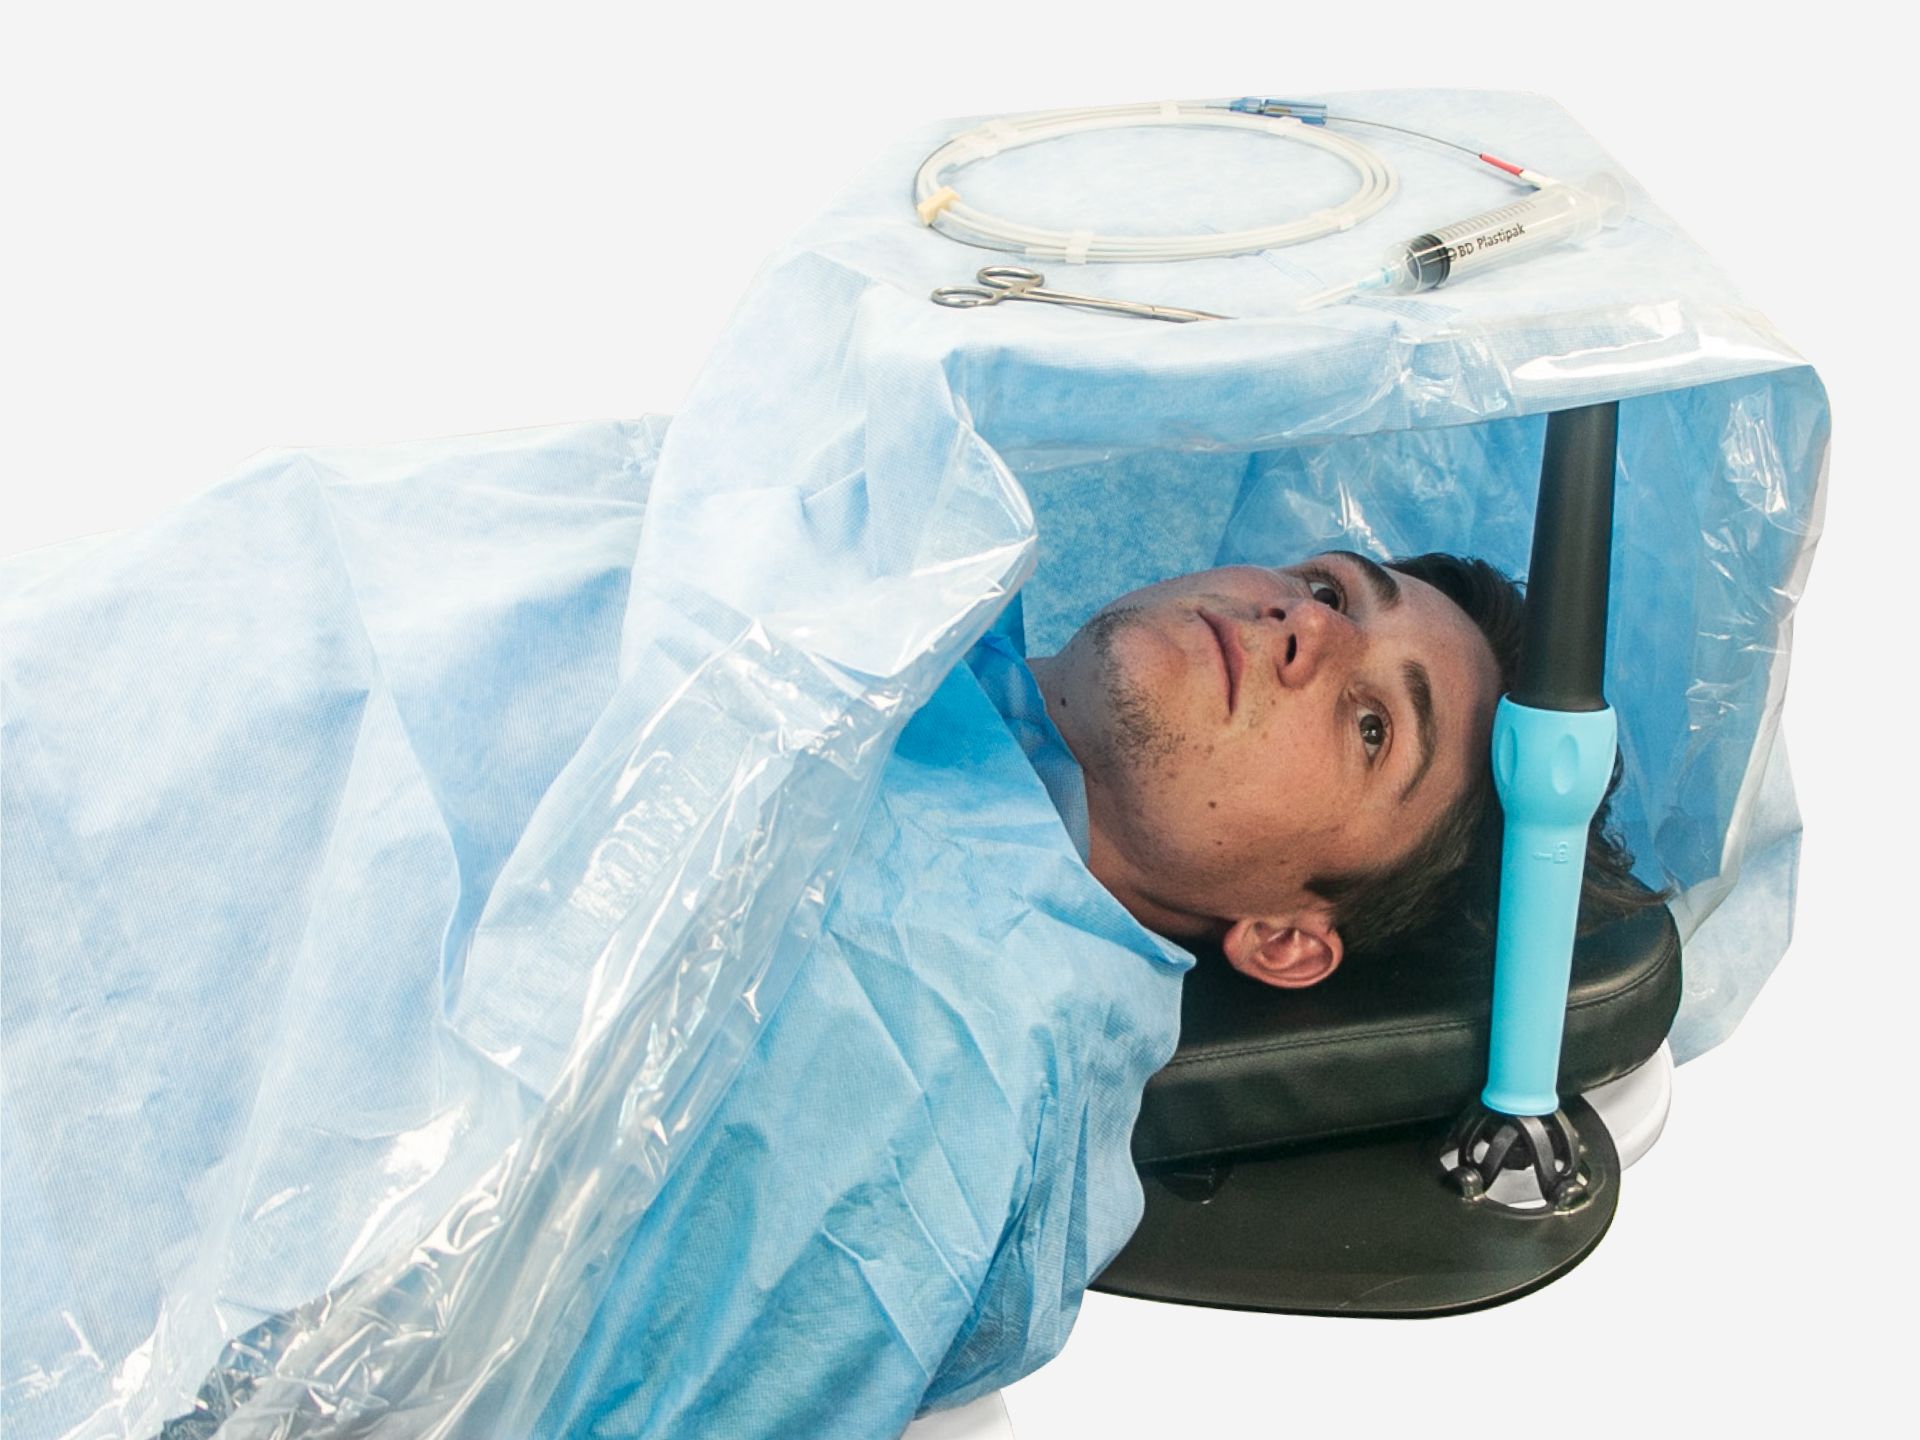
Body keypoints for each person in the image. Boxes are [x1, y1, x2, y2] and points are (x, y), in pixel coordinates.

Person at [1012, 548, 1651, 988]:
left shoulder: (979, 1052)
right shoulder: (959, 572)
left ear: (1282, 941)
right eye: (1330, 592)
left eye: (1372, 729)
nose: (1311, 621)